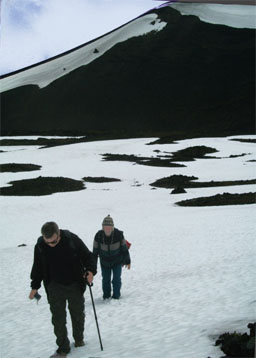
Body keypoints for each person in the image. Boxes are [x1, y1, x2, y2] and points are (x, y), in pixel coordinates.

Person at [29, 222, 97, 358]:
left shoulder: (71, 239)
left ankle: (79, 340)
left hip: (74, 284)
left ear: (58, 233)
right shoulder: (41, 246)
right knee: (58, 319)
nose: (51, 244)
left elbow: (88, 256)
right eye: (48, 242)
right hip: (54, 286)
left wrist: (90, 271)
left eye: (53, 241)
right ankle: (63, 348)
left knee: (77, 314)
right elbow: (38, 267)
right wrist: (35, 286)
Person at [93, 215, 131, 300]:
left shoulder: (118, 235)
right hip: (104, 262)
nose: (108, 228)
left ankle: (116, 296)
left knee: (116, 279)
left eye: (109, 226)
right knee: (106, 280)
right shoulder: (98, 236)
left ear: (112, 227)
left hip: (117, 261)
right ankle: (106, 296)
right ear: (103, 227)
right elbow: (95, 252)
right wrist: (92, 267)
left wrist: (128, 261)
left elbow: (124, 249)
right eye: (106, 226)